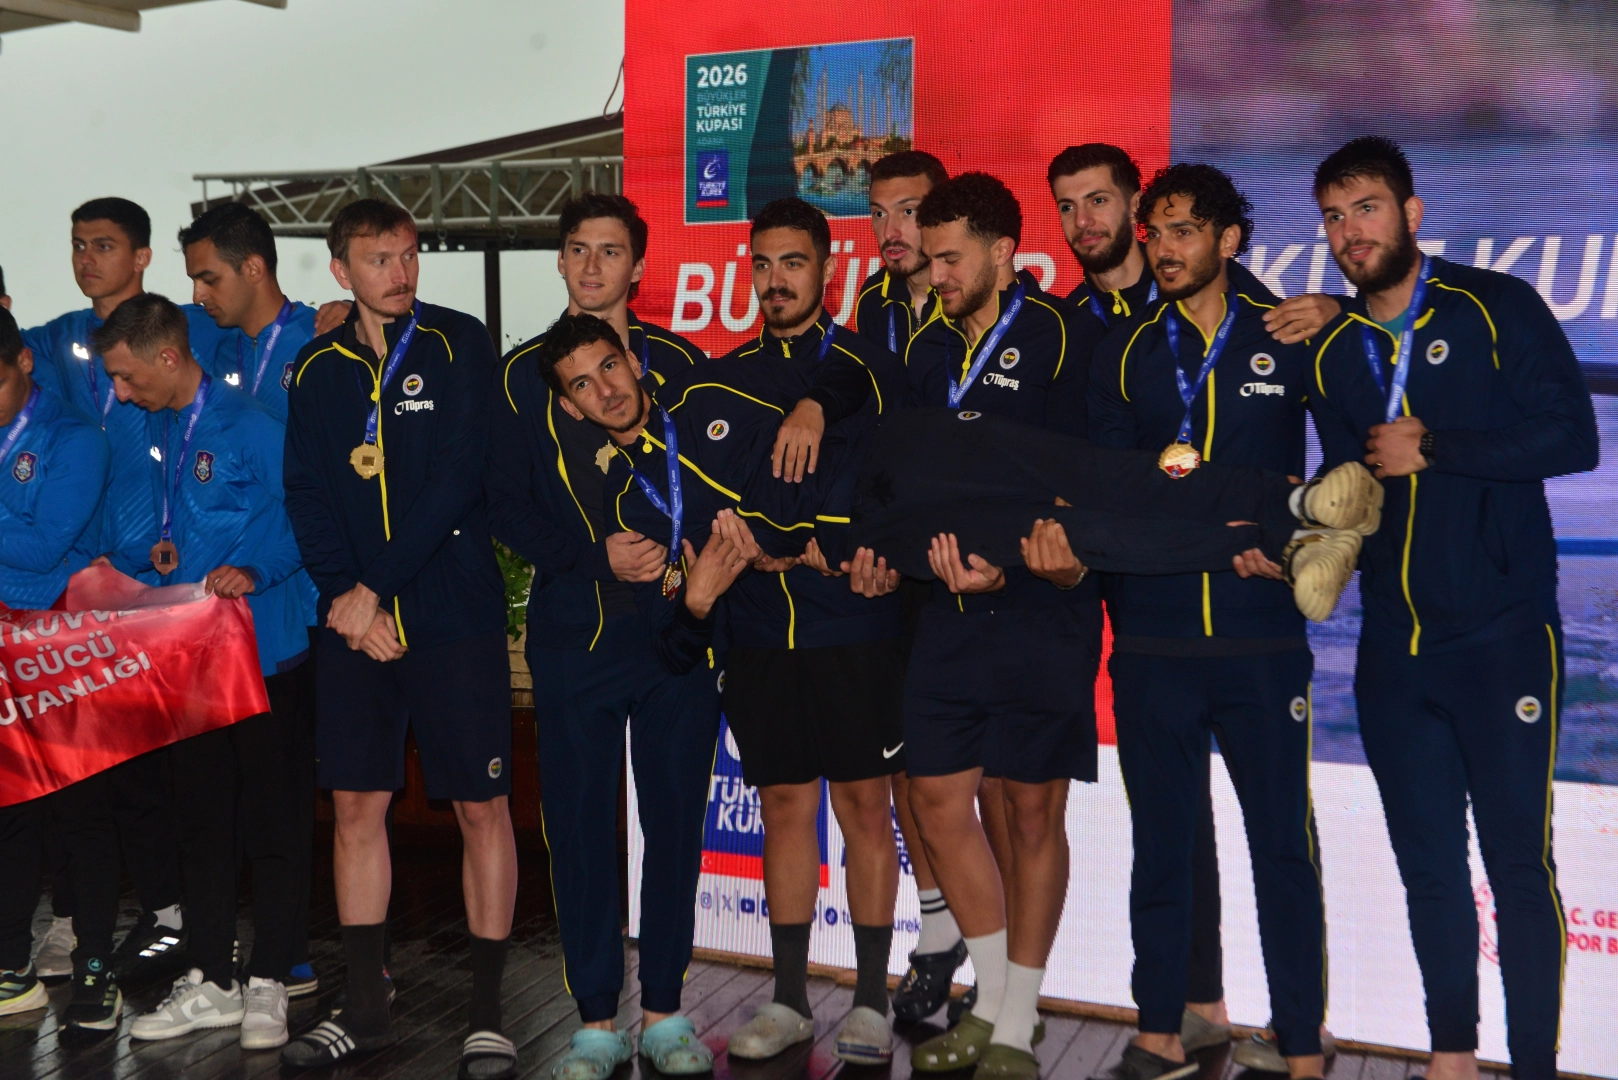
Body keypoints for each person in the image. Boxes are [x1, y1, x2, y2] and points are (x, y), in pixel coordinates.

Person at [1307, 136, 1597, 1080]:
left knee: (1519, 866)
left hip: (1503, 637)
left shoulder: (1494, 305)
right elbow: (1353, 480)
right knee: (1429, 868)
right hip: (1394, 650)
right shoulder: (1335, 349)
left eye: (1367, 208)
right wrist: (1319, 533)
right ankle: (1450, 1058)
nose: (1351, 232)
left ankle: (1534, 1067)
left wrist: (1437, 448)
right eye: (1334, 217)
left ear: (1412, 214)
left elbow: (1575, 438)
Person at [1048, 144, 1345, 1062]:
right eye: (1156, 232)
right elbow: (1118, 482)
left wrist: (1291, 533)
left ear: (1230, 240)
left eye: (1184, 231)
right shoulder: (1124, 350)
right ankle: (1159, 1034)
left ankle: (1302, 1045)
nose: (1164, 247)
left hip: (1262, 637)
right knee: (1163, 847)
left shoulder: (1289, 334)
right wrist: (1218, 486)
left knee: (1282, 847)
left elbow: (1343, 473)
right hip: (1154, 639)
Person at [483, 194, 726, 1080]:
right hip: (574, 641)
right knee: (581, 833)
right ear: (559, 260)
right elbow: (503, 505)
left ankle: (663, 1013)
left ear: (638, 266)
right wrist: (593, 558)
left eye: (611, 251)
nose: (592, 266)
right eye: (577, 249)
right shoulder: (519, 377)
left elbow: (721, 480)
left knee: (675, 825)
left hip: (677, 643)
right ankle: (593, 1021)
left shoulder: (685, 365)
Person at [280, 199, 518, 1079]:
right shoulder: (316, 369)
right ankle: (367, 1011)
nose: (400, 273)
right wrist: (345, 596)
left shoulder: (460, 344)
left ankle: (487, 1016)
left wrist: (372, 589)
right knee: (355, 807)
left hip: (451, 616)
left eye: (410, 255)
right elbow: (306, 492)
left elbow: (458, 481)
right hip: (354, 625)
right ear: (341, 271)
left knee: (481, 808)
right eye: (379, 260)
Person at [691, 197, 911, 1067]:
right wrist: (762, 543)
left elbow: (897, 490)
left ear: (828, 268)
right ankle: (788, 999)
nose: (775, 280)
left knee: (864, 806)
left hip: (854, 624)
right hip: (756, 631)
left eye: (792, 263)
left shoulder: (870, 370)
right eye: (762, 265)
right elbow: (714, 504)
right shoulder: (721, 379)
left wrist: (841, 543)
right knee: (784, 804)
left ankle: (870, 1000)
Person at [87, 294, 314, 1050]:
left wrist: (256, 568)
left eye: (127, 377)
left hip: (265, 654)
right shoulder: (160, 427)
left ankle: (271, 978)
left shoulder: (252, 426)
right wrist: (155, 553)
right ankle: (213, 976)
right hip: (190, 660)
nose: (121, 393)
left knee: (274, 822)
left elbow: (311, 520)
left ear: (168, 357)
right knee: (202, 821)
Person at [20, 197, 214, 1004]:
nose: (86, 259)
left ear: (141, 258)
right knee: (75, 769)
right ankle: (73, 918)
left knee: (148, 770)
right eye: (77, 245)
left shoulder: (183, 333)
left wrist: (324, 314)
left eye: (104, 245)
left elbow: (254, 341)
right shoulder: (54, 338)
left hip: (150, 581)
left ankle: (167, 912)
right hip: (71, 582)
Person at [178, 200, 323, 1000]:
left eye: (209, 278)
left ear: (255, 267)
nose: (199, 294)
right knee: (218, 804)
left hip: (303, 608)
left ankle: (291, 952)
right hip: (223, 625)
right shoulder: (214, 344)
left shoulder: (320, 340)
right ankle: (229, 958)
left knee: (286, 796)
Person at [0, 306, 110, 1020]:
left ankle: (97, 971)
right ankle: (11, 964)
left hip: (59, 654)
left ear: (24, 363)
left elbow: (45, 554)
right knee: (8, 812)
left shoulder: (74, 437)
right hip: (5, 652)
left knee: (80, 816)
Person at [854, 150, 946, 352]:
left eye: (908, 211)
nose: (889, 233)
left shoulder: (972, 296)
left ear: (942, 213)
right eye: (879, 214)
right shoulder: (873, 297)